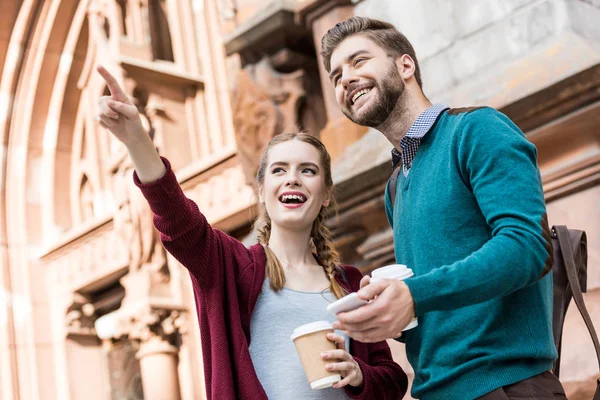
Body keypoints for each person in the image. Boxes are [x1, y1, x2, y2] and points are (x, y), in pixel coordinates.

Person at [96, 65, 407, 400]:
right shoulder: (230, 266)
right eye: (279, 170)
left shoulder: (349, 282)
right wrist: (137, 140)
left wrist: (358, 375)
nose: (293, 178)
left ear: (326, 193)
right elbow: (178, 220)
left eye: (308, 170)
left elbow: (392, 380)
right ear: (262, 190)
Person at [320, 16, 566, 400]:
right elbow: (439, 301)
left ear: (405, 66)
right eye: (335, 76)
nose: (345, 79)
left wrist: (414, 294)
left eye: (359, 61)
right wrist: (390, 305)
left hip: (506, 387)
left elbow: (527, 247)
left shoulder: (477, 130)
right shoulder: (396, 184)